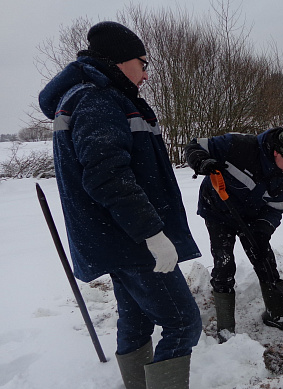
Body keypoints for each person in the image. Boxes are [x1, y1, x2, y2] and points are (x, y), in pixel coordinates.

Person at [39, 21, 202, 389]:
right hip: (132, 241)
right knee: (183, 323)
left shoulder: (99, 96)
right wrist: (152, 233)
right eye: (143, 64)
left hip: (116, 238)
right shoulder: (97, 99)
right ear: (121, 61)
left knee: (137, 320)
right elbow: (106, 175)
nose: (146, 73)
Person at [184, 127, 283, 342]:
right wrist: (202, 161)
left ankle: (275, 315)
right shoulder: (239, 146)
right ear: (277, 152)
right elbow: (195, 145)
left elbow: (275, 209)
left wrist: (262, 231)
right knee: (224, 265)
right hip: (218, 210)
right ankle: (225, 329)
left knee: (265, 261)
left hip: (252, 216)